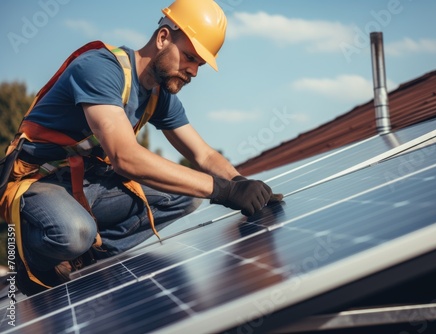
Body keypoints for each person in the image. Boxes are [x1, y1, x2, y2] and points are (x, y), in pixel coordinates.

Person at [0, 0, 279, 296]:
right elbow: (124, 157)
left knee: (186, 195)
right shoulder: (99, 68)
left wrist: (240, 183)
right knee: (74, 232)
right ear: (163, 38)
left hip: (88, 183)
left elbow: (204, 154)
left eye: (199, 64)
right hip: (39, 184)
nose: (194, 71)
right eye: (189, 57)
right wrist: (223, 191)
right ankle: (35, 257)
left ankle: (86, 259)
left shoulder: (159, 95)